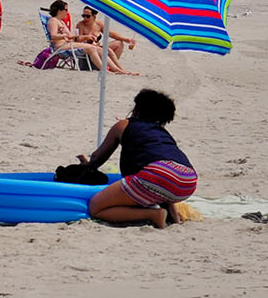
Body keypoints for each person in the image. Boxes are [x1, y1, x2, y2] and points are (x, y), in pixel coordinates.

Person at [76, 88, 196, 229]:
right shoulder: (162, 132)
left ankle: (153, 215)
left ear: (138, 108)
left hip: (159, 174)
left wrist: (87, 165)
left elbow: (98, 157)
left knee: (96, 207)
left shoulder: (124, 125)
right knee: (159, 180)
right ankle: (172, 214)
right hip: (188, 180)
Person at [76, 7, 138, 74]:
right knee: (108, 50)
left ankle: (114, 67)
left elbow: (110, 33)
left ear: (94, 16)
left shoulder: (98, 24)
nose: (85, 18)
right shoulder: (80, 25)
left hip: (98, 48)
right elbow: (77, 40)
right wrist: (87, 38)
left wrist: (125, 39)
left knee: (119, 43)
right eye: (83, 16)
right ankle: (119, 70)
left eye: (87, 16)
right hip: (89, 51)